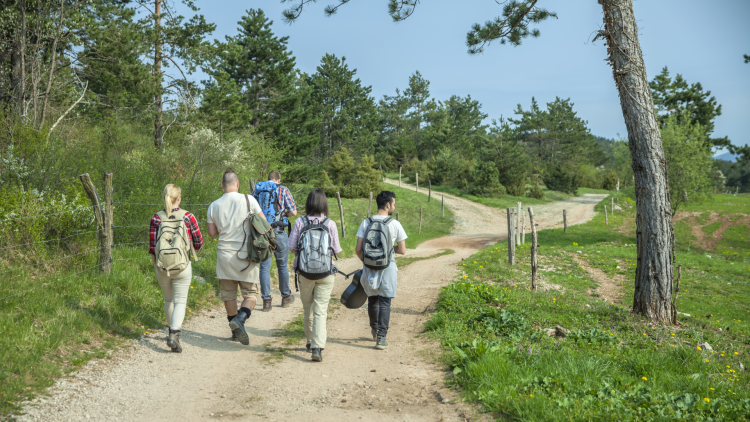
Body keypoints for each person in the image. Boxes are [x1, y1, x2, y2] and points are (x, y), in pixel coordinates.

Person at [207, 169, 267, 345]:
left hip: (224, 256)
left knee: (228, 295)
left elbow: (212, 233)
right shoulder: (249, 200)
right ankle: (241, 318)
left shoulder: (213, 205)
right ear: (238, 184)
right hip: (246, 256)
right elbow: (264, 224)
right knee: (251, 293)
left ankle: (234, 332)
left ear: (222, 185)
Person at [288, 188, 342, 362]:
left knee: (308, 309)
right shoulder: (330, 224)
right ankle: (317, 347)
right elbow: (336, 250)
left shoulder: (300, 222)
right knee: (321, 310)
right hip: (326, 273)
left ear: (308, 203)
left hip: (304, 273)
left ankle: (310, 340)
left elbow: (292, 247)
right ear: (324, 204)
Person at [149, 184, 204, 353]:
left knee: (168, 300)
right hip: (182, 265)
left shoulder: (156, 218)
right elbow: (199, 241)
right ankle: (174, 334)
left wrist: (157, 264)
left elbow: (152, 247)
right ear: (178, 199)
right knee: (180, 301)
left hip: (162, 266)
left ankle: (170, 331)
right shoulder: (187, 216)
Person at [355, 191, 407, 350]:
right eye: (394, 204)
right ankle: (381, 338)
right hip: (387, 265)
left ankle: (374, 329)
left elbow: (358, 249)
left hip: (369, 265)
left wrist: (368, 261)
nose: (394, 207)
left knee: (373, 299)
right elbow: (402, 250)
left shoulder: (366, 222)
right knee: (385, 301)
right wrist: (387, 250)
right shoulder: (394, 224)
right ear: (388, 204)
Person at [252, 170, 298, 311]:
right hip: (279, 231)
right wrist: (283, 215)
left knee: (264, 267)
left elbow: (251, 210)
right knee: (282, 265)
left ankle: (266, 301)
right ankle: (285, 297)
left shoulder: (258, 189)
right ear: (278, 179)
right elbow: (293, 212)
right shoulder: (283, 189)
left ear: (268, 179)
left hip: (263, 232)